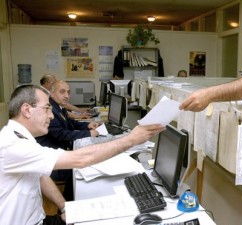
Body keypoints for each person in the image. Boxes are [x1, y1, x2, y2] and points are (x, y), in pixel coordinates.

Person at [0, 84, 164, 225]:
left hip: (40, 219)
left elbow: (41, 175)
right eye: (47, 108)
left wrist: (65, 207)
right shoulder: (12, 145)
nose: (51, 115)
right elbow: (80, 158)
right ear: (27, 110)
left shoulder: (18, 138)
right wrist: (131, 140)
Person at [36, 80, 100, 201]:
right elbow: (60, 134)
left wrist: (87, 126)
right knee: (80, 169)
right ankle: (69, 204)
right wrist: (88, 133)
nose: (67, 95)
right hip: (52, 163)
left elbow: (71, 124)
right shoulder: (51, 110)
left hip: (59, 153)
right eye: (62, 92)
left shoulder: (59, 107)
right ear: (52, 93)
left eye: (68, 92)